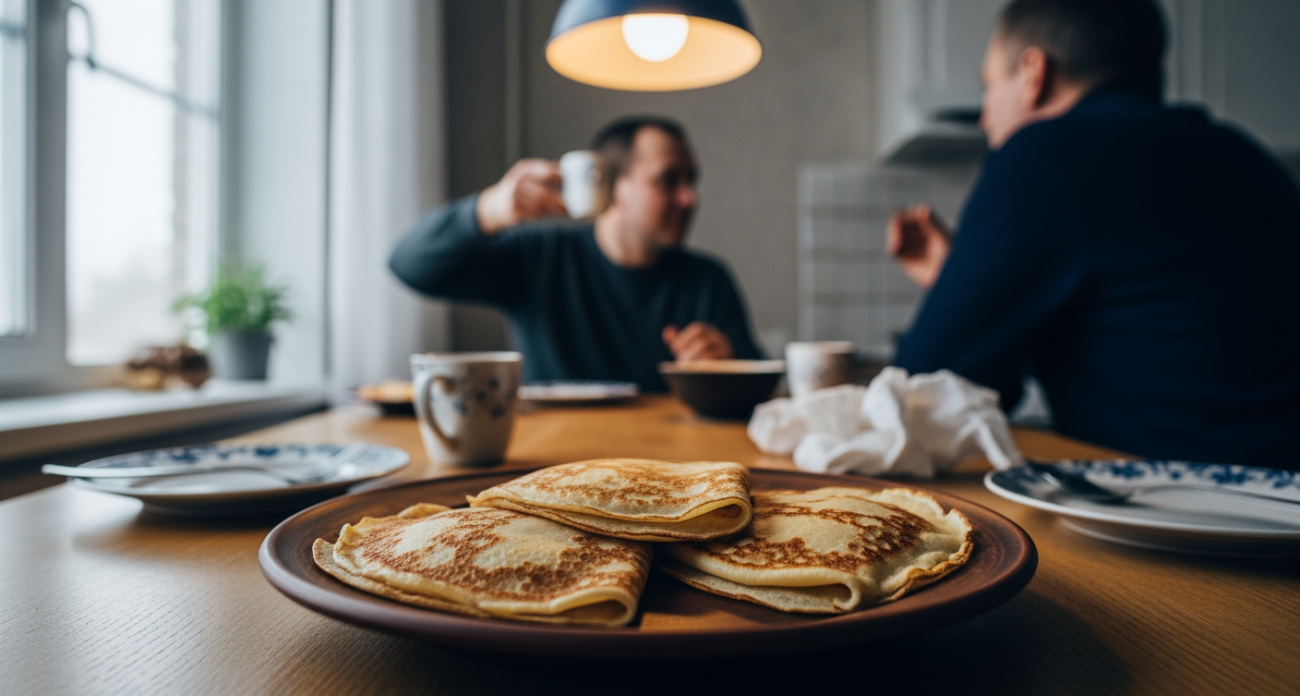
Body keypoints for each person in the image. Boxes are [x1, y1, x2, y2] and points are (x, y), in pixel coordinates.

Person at [886, 0, 1300, 468]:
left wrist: (955, 289)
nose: (984, 116)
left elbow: (922, 397)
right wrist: (957, 276)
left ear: (1033, 72)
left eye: (988, 86)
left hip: (1199, 516)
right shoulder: (1249, 157)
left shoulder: (1046, 155)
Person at [390, 116, 763, 392]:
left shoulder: (708, 280)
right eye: (668, 180)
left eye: (691, 180)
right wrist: (488, 209)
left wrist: (728, 368)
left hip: (670, 468)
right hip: (550, 465)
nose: (689, 198)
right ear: (613, 185)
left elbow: (763, 391)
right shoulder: (539, 258)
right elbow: (409, 265)